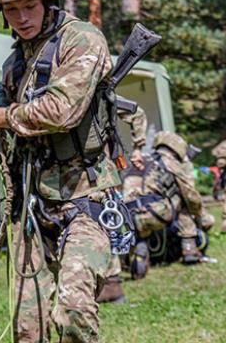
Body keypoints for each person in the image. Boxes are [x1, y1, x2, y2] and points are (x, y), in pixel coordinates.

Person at [0, 0, 125, 343]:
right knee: (28, 326)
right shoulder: (14, 63)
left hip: (85, 198)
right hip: (33, 205)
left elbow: (62, 110)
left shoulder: (82, 40)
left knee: (72, 311)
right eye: (11, 9)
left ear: (48, 1)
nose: (21, 17)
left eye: (29, 5)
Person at [123, 131, 205, 279]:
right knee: (184, 200)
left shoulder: (142, 159)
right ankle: (189, 249)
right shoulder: (172, 164)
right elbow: (191, 196)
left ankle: (140, 252)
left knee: (142, 229)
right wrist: (199, 215)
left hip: (129, 216)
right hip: (156, 214)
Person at [97, 104, 148, 303]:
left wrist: (138, 148)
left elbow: (137, 112)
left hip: (101, 172)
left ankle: (112, 284)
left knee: (105, 222)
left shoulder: (96, 90)